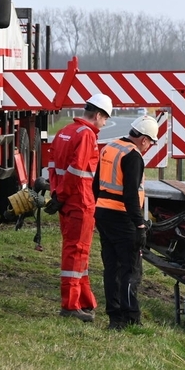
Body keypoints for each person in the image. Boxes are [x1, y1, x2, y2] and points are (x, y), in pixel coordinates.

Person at [47, 93, 113, 322]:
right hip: (80, 202)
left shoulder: (65, 131)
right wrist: (64, 195)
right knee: (77, 252)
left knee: (77, 251)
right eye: (104, 120)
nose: (103, 125)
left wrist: (57, 195)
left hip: (66, 202)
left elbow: (53, 166)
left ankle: (85, 300)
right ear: (97, 115)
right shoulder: (86, 135)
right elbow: (77, 170)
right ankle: (70, 304)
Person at [94, 115, 157, 330]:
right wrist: (140, 224)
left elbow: (96, 184)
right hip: (122, 218)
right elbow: (131, 194)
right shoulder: (133, 155)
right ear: (144, 139)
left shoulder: (109, 147)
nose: (148, 148)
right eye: (151, 143)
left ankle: (115, 318)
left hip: (103, 214)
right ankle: (131, 317)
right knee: (130, 270)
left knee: (111, 268)